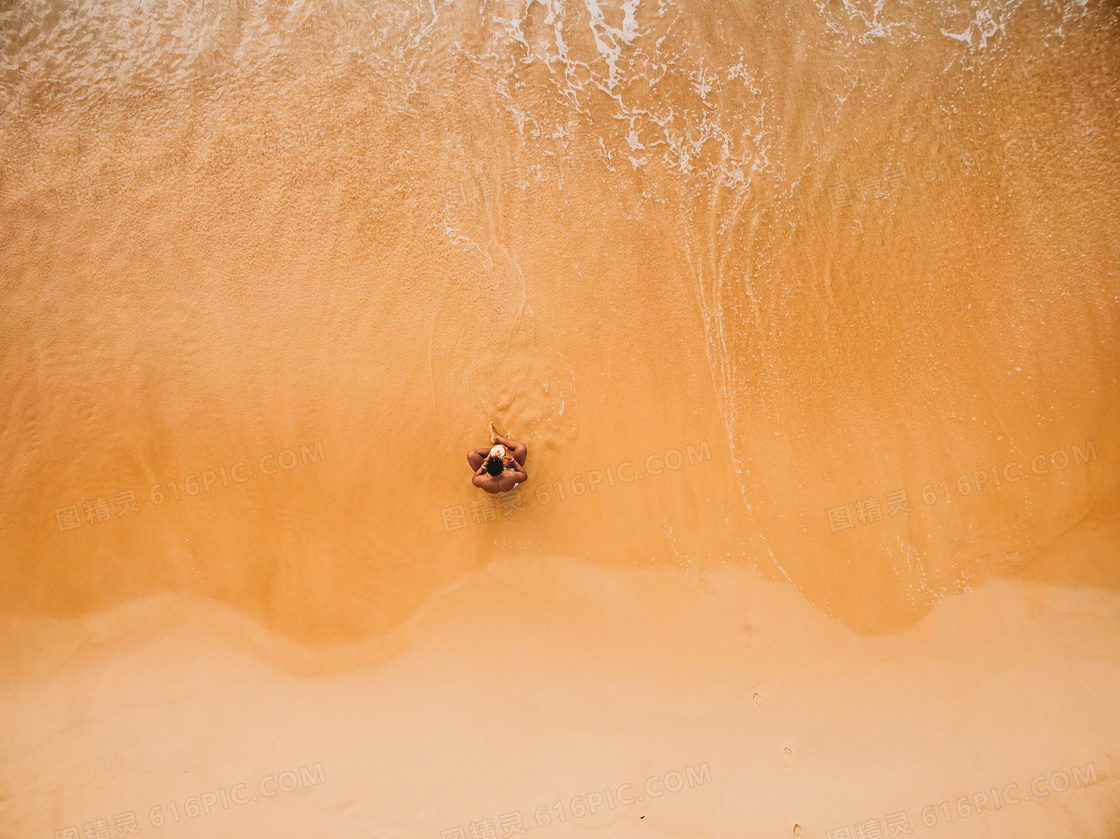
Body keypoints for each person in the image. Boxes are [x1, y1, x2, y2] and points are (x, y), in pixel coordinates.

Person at [468, 422, 527, 494]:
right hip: (508, 481)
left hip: (489, 480)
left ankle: (499, 445)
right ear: (503, 468)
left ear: (487, 467)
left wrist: (484, 464)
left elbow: (474, 479)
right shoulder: (511, 475)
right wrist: (512, 459)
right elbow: (524, 476)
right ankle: (501, 443)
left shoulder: (482, 479)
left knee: (471, 454)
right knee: (521, 448)